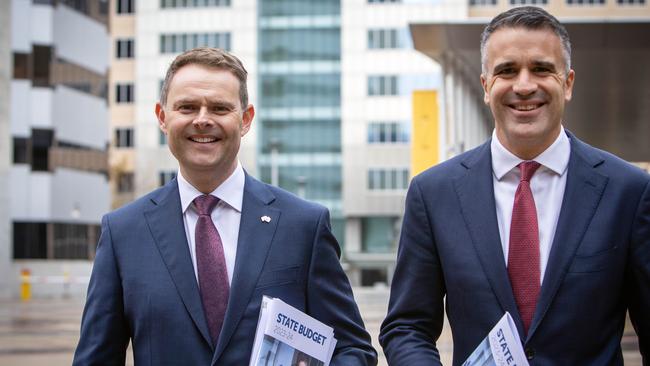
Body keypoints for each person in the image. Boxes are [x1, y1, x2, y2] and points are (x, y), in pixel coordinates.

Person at [379, 6, 649, 365]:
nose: (524, 85)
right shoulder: (433, 193)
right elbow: (407, 326)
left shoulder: (628, 191)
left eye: (541, 68)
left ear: (567, 83)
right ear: (486, 86)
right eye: (507, 70)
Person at [73, 47, 377, 365]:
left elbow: (353, 350)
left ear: (245, 120)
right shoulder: (123, 233)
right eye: (187, 107)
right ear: (163, 118)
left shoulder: (304, 225)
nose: (203, 120)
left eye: (219, 108)